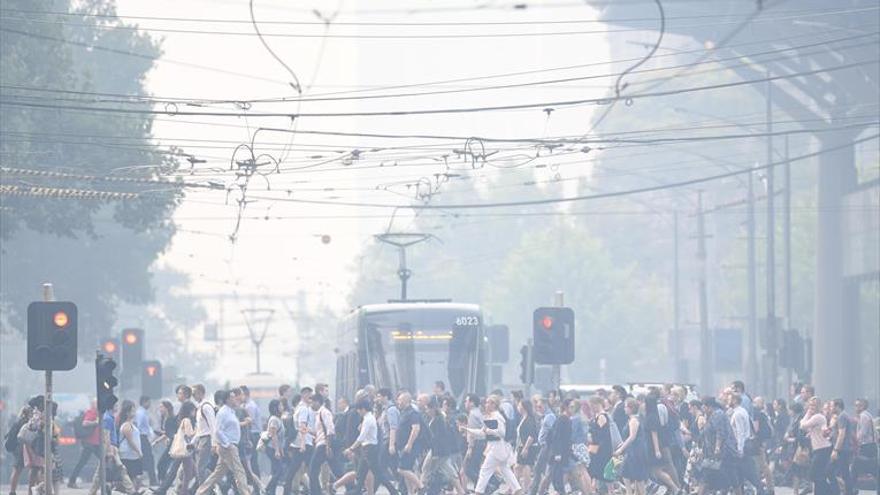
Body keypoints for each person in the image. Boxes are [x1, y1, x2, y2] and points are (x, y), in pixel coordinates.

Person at [195, 389, 251, 495]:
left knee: (217, 474)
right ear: (227, 399)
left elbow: (230, 429)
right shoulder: (223, 412)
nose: (236, 399)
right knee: (240, 472)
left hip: (230, 445)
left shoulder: (231, 412)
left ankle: (200, 492)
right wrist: (227, 444)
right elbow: (217, 430)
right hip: (228, 447)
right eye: (233, 397)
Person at [464, 395, 521, 495]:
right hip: (498, 448)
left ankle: (478, 492)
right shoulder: (491, 416)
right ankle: (517, 489)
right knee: (505, 470)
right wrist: (467, 429)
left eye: (488, 403)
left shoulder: (496, 416)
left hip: (497, 448)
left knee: (485, 471)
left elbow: (501, 432)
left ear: (493, 405)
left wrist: (488, 431)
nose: (486, 405)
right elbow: (482, 432)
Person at [346, 399, 399, 495]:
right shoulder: (368, 418)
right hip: (366, 449)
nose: (358, 412)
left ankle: (393, 492)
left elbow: (362, 437)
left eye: (358, 409)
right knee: (361, 474)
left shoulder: (368, 419)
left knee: (378, 474)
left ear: (363, 409)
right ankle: (357, 491)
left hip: (369, 449)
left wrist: (351, 448)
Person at [88, 400, 138, 495]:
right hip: (109, 448)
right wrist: (110, 451)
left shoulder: (110, 417)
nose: (118, 407)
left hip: (111, 447)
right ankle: (131, 491)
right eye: (116, 405)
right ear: (111, 406)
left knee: (103, 473)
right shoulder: (108, 418)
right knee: (119, 469)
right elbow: (106, 435)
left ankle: (131, 491)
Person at [308, 392, 342, 495]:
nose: (311, 405)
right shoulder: (319, 414)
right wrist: (308, 430)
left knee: (312, 470)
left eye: (312, 402)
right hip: (322, 444)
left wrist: (328, 446)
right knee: (336, 469)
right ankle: (351, 486)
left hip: (323, 445)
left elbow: (330, 429)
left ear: (317, 402)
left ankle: (316, 492)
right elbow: (319, 432)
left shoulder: (324, 412)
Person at [615, 398, 649, 495]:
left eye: (626, 407)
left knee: (638, 479)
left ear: (631, 408)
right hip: (633, 450)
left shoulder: (634, 420)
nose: (624, 409)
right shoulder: (635, 418)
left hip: (636, 451)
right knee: (627, 474)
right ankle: (630, 492)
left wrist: (621, 449)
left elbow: (632, 437)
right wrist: (622, 443)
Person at [800, 397, 832, 495]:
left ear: (819, 406)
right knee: (819, 475)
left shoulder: (817, 416)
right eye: (810, 405)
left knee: (813, 474)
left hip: (823, 448)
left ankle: (832, 491)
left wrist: (807, 413)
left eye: (814, 405)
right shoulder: (817, 417)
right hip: (819, 449)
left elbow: (802, 426)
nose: (811, 407)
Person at [395, 391, 425, 494]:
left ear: (405, 401)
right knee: (407, 470)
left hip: (409, 447)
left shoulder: (413, 413)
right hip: (402, 446)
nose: (398, 402)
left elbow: (415, 428)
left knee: (401, 469)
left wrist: (409, 444)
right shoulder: (404, 412)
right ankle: (410, 492)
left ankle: (421, 486)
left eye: (399, 400)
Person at [68, 399, 101, 488]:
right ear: (93, 405)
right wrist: (95, 422)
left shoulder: (97, 413)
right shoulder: (91, 412)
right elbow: (85, 423)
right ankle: (106, 481)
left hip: (95, 442)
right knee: (104, 459)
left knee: (82, 462)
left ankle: (72, 481)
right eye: (96, 403)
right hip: (90, 443)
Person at [828, 399, 856, 495]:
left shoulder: (842, 417)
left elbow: (841, 434)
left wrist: (836, 450)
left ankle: (840, 492)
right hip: (844, 449)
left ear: (837, 406)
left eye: (832, 406)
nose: (830, 408)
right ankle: (849, 492)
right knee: (844, 473)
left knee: (830, 470)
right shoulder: (843, 416)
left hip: (842, 449)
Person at [168, 401, 197, 495]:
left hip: (185, 451)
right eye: (193, 410)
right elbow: (190, 434)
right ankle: (183, 492)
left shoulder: (183, 420)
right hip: (186, 451)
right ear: (190, 410)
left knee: (191, 472)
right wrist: (198, 429)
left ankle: (182, 489)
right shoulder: (187, 420)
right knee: (190, 473)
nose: (195, 412)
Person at [546, 398, 572, 495]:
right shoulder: (562, 419)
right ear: (566, 407)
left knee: (560, 473)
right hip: (560, 452)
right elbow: (556, 437)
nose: (573, 409)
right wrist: (557, 453)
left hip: (564, 452)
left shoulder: (566, 419)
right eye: (571, 407)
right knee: (556, 474)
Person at [192, 384, 216, 487]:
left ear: (201, 393)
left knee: (200, 467)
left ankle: (204, 490)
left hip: (207, 439)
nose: (193, 396)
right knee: (201, 467)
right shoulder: (200, 408)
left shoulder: (206, 407)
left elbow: (213, 426)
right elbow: (199, 429)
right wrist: (193, 442)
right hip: (201, 439)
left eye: (194, 393)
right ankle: (215, 487)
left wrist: (214, 444)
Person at [587, 396, 614, 489]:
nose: (591, 408)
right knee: (595, 471)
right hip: (597, 447)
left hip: (602, 449)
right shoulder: (597, 416)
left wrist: (592, 437)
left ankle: (610, 491)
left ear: (596, 404)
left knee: (603, 470)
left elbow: (603, 435)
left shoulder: (602, 416)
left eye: (592, 406)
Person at [119, 400, 145, 489]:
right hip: (128, 454)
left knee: (135, 476)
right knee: (133, 476)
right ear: (127, 413)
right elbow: (130, 441)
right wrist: (139, 451)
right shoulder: (126, 425)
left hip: (133, 454)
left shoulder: (132, 424)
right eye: (132, 410)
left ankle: (133, 491)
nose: (134, 412)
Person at [6, 405, 32, 495]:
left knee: (17, 470)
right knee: (33, 470)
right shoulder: (25, 423)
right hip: (22, 448)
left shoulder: (17, 422)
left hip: (17, 449)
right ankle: (31, 491)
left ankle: (12, 491)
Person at [853, 398, 877, 491]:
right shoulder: (868, 415)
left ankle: (852, 489)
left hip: (867, 446)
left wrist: (855, 442)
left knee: (856, 466)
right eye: (855, 405)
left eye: (858, 405)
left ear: (863, 406)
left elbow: (862, 433)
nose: (856, 408)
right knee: (873, 468)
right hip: (871, 445)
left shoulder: (863, 416)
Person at [515, 399, 538, 491]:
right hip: (522, 446)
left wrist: (526, 448)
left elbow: (531, 435)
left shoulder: (529, 419)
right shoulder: (524, 418)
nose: (518, 407)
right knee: (520, 467)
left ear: (524, 407)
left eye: (519, 405)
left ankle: (525, 488)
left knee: (525, 467)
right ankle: (517, 488)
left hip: (527, 447)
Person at [263, 399, 286, 495]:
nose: (282, 407)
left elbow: (280, 437)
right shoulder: (273, 419)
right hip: (271, 448)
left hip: (276, 448)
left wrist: (280, 450)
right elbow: (274, 435)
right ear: (275, 408)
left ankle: (271, 491)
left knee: (276, 470)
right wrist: (277, 450)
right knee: (279, 470)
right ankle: (267, 489)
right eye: (280, 405)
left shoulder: (278, 419)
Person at [135, 396, 158, 487]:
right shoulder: (141, 413)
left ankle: (149, 480)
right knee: (149, 459)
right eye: (149, 402)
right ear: (144, 402)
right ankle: (152, 480)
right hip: (142, 437)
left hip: (144, 437)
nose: (150, 404)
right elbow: (139, 426)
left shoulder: (143, 412)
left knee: (147, 459)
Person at [240, 386, 262, 478]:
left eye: (241, 394)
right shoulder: (244, 405)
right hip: (251, 434)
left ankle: (257, 486)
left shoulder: (250, 406)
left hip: (253, 434)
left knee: (252, 460)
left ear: (246, 394)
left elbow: (249, 422)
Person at [154, 400, 178, 484]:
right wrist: (157, 441)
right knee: (164, 465)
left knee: (161, 464)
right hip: (171, 444)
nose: (159, 409)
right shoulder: (165, 418)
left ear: (166, 408)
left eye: (161, 407)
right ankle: (164, 484)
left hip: (173, 445)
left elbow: (171, 433)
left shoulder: (171, 419)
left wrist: (168, 437)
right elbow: (167, 433)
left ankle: (164, 484)